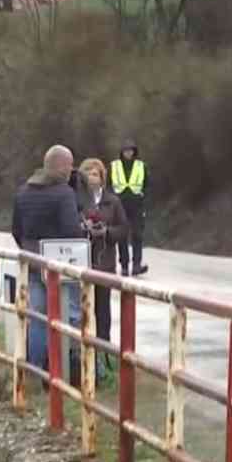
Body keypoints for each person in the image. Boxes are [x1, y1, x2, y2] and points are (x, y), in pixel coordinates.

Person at [11, 145, 84, 381]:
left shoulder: (24, 191)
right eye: (70, 165)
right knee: (70, 315)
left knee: (38, 318)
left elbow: (16, 229)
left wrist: (29, 248)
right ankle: (63, 368)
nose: (71, 169)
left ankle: (34, 370)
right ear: (62, 166)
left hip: (32, 262)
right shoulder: (63, 193)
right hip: (59, 264)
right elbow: (71, 229)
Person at [77, 158, 129, 379]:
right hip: (81, 261)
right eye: (87, 172)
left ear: (102, 177)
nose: (92, 177)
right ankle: (82, 353)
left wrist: (106, 232)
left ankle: (104, 352)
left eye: (95, 173)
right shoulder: (77, 201)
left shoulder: (112, 202)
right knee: (81, 309)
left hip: (105, 262)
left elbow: (124, 229)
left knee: (103, 310)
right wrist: (83, 229)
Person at [110, 139, 149, 276]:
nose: (128, 153)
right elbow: (109, 184)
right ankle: (125, 265)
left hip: (137, 205)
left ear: (134, 152)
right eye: (126, 150)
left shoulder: (141, 166)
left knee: (137, 235)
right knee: (122, 235)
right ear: (122, 152)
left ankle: (137, 265)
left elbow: (147, 184)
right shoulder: (114, 166)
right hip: (119, 204)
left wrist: (143, 198)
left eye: (131, 150)